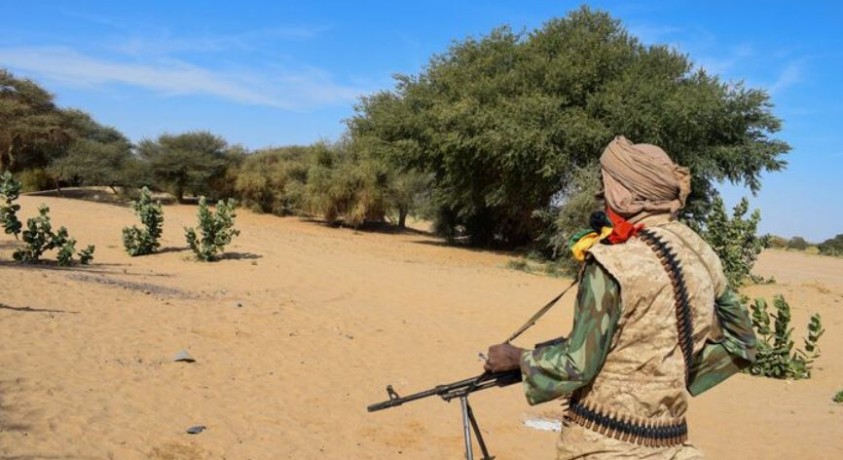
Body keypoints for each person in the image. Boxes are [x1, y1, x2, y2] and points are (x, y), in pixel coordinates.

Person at [485, 136, 757, 459]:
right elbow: (743, 345)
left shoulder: (612, 262)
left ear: (625, 196)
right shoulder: (703, 255)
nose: (603, 204)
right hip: (674, 446)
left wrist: (518, 359)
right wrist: (671, 376)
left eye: (606, 192)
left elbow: (579, 365)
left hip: (601, 445)